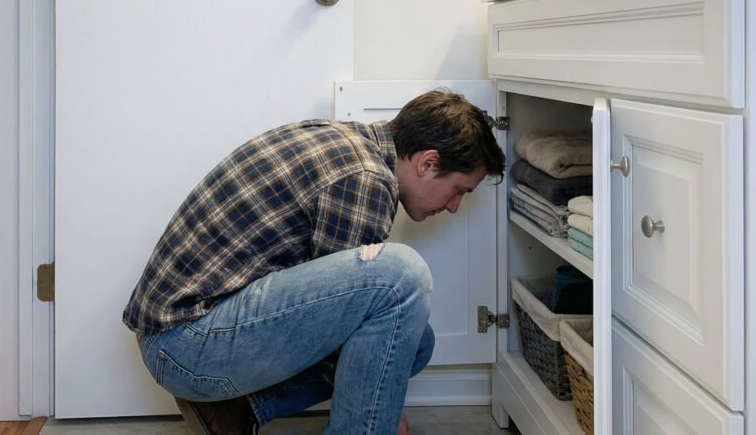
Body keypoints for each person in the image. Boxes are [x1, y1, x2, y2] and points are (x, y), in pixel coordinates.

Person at [123, 89, 506, 435]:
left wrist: (380, 398)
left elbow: (337, 320)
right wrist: (378, 418)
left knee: (416, 341)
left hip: (183, 336)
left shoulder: (344, 141)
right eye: (458, 190)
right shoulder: (367, 178)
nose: (454, 207)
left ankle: (234, 409)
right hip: (187, 346)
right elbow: (341, 335)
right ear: (427, 162)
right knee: (401, 277)